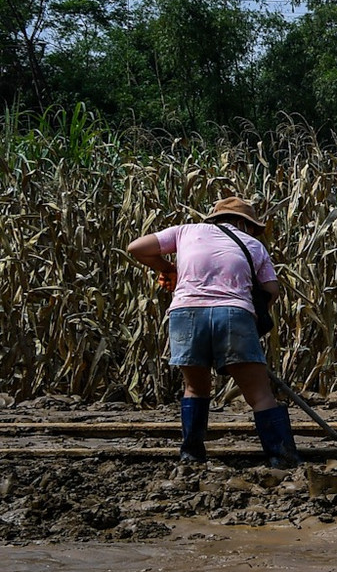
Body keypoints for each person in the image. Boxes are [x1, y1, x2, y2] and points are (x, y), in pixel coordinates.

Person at [126, 196, 300, 468]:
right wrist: (251, 319)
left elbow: (136, 247)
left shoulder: (186, 231)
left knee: (195, 388)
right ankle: (282, 459)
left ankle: (192, 456)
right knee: (259, 394)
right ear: (244, 223)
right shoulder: (254, 245)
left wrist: (169, 269)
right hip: (234, 313)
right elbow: (271, 290)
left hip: (186, 313)